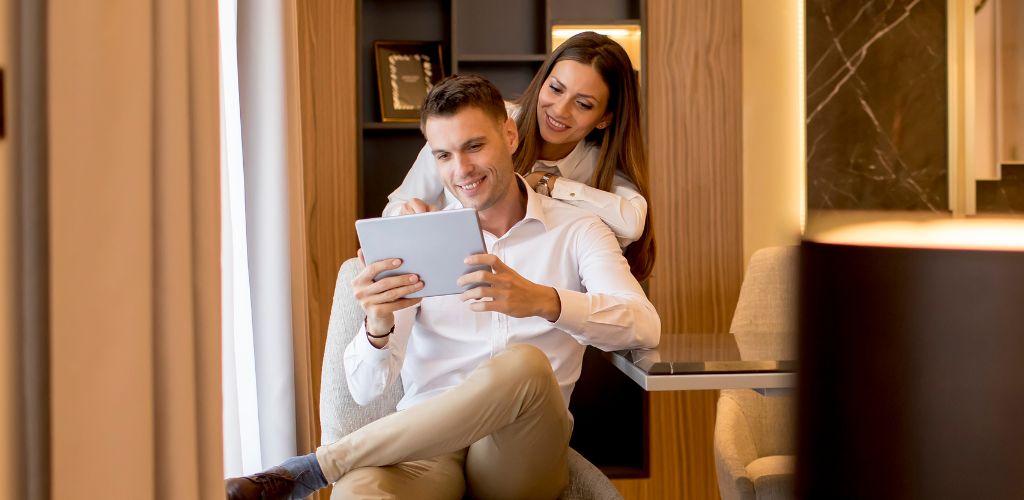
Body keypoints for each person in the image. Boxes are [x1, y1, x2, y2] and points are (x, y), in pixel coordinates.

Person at [226, 75, 660, 500]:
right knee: (360, 491)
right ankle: (333, 472)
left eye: (474, 146)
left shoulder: (577, 230)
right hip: (426, 448)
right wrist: (378, 326)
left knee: (525, 364)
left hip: (519, 452)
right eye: (444, 155)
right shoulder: (416, 236)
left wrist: (543, 301)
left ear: (509, 135)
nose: (462, 170)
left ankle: (317, 468)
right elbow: (363, 391)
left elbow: (643, 326)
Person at [386, 31, 655, 281]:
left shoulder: (597, 165)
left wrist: (549, 184)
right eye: (556, 89)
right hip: (460, 283)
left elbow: (631, 224)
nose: (560, 110)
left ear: (605, 118)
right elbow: (394, 212)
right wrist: (413, 217)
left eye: (583, 104)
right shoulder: (481, 123)